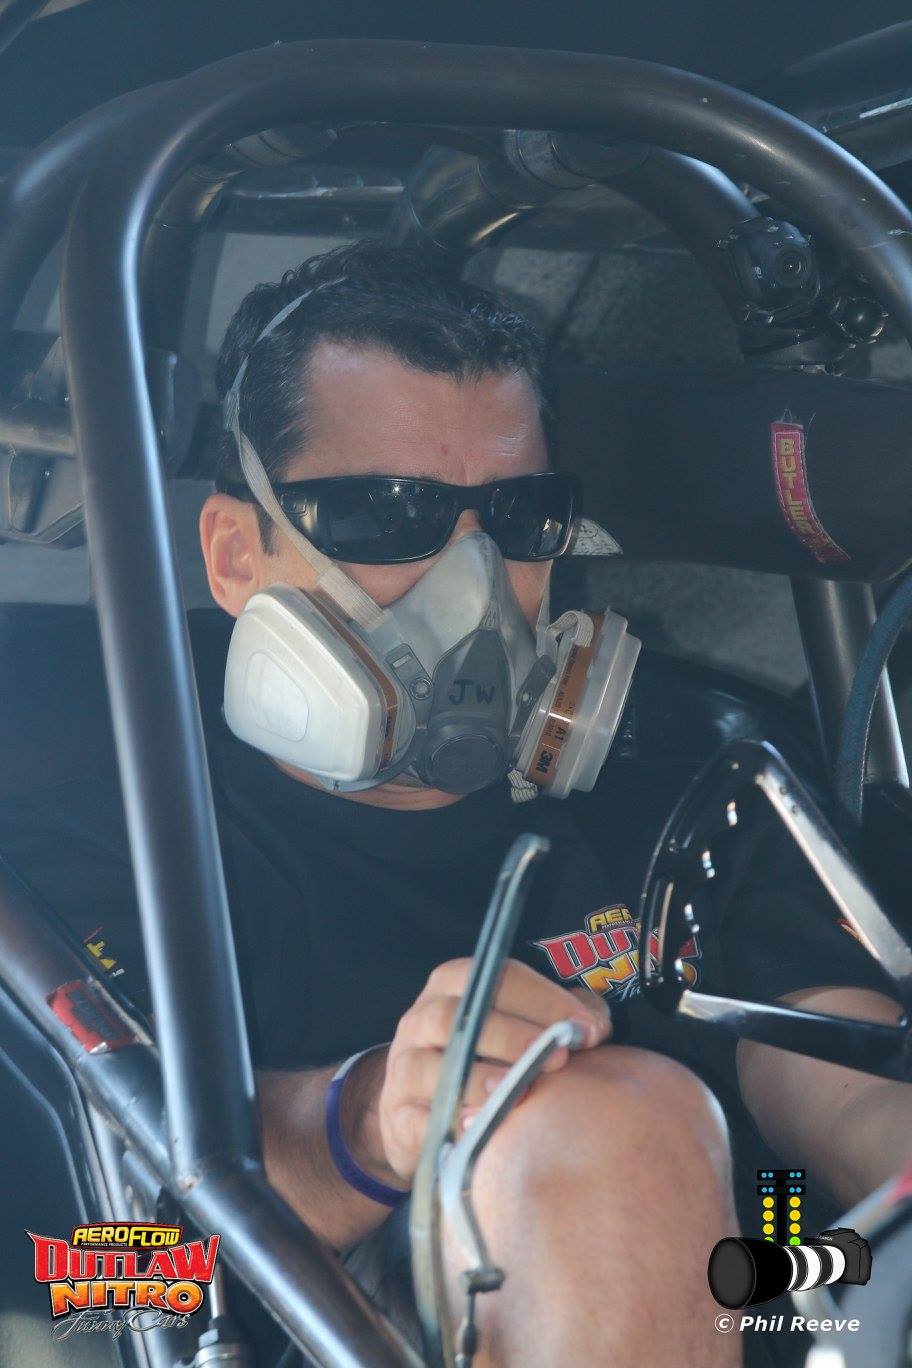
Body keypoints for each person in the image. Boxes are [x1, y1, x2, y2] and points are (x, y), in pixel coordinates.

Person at [1, 240, 910, 1367]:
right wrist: (364, 1130)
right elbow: (68, 1281)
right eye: (389, 515)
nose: (471, 584)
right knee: (605, 1123)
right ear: (236, 555)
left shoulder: (691, 779)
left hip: (778, 1312)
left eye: (519, 519)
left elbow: (847, 1089)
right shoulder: (79, 875)